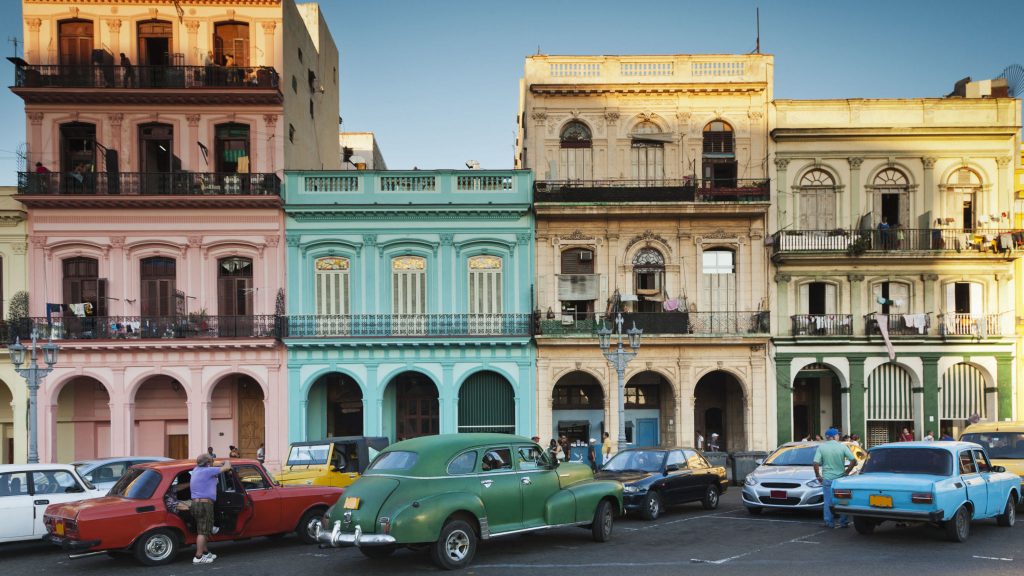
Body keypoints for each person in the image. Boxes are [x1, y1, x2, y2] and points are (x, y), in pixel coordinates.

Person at [190, 453, 231, 564]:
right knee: (203, 531)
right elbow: (227, 467)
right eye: (211, 461)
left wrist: (216, 463)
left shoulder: (196, 469)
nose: (213, 463)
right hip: (204, 504)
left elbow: (212, 465)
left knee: (203, 529)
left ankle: (205, 553)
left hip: (195, 504)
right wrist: (226, 461)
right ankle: (198, 557)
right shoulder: (208, 471)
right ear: (208, 463)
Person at [813, 428, 857, 529]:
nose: (839, 436)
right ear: (833, 437)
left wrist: (818, 476)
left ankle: (829, 522)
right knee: (843, 501)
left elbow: (815, 463)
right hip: (841, 480)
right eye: (837, 435)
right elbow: (853, 460)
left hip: (827, 479)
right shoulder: (842, 447)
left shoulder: (821, 448)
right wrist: (847, 472)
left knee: (828, 502)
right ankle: (844, 522)